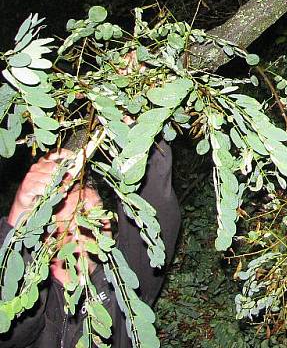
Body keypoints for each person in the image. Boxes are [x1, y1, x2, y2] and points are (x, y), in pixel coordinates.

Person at [0, 140, 180, 348]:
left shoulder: (124, 285)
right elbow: (9, 329)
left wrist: (139, 143)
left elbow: (154, 217)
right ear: (45, 230)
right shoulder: (36, 296)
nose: (98, 222)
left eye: (100, 211)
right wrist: (18, 227)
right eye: (82, 213)